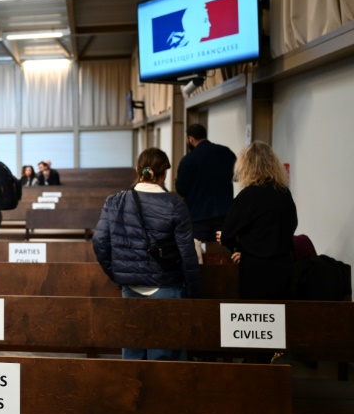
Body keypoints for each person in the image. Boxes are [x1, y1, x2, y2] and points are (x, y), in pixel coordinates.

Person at [93, 148, 200, 365]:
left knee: (133, 350)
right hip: (166, 284)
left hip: (130, 286)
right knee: (165, 355)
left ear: (138, 170)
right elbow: (187, 253)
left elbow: (99, 242)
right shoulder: (175, 204)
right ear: (164, 174)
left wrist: (118, 275)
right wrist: (193, 292)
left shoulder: (115, 201)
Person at [218, 141, 298, 300]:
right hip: (285, 269)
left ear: (246, 167)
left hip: (255, 271)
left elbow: (227, 234)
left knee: (255, 321)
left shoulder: (248, 196)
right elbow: (292, 224)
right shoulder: (284, 193)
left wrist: (241, 245)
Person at [175, 124, 237, 242]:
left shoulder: (188, 160)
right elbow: (237, 175)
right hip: (223, 214)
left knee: (199, 252)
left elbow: (181, 189)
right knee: (220, 253)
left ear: (190, 139)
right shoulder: (226, 153)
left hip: (197, 216)